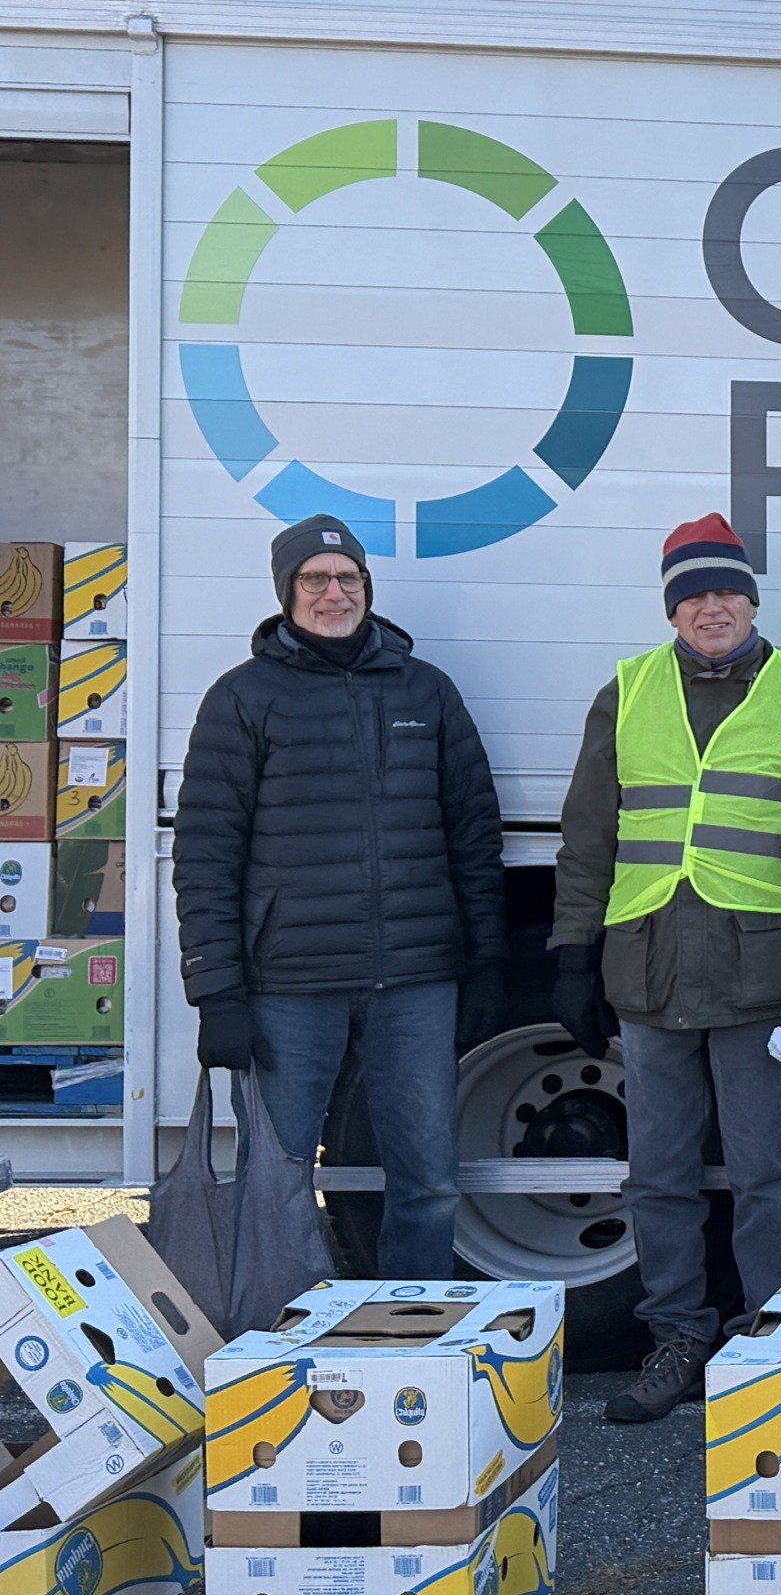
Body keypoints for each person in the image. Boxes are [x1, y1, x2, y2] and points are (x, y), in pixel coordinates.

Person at [551, 514, 781, 1424]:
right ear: (672, 609)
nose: (711, 607)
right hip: (648, 972)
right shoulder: (626, 691)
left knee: (767, 1172)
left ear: (752, 602)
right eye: (693, 595)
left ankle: (767, 1341)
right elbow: (587, 838)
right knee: (657, 1174)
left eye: (726, 591)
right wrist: (571, 955)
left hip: (761, 977)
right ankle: (678, 1339)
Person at [173, 514, 505, 1280]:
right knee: (277, 1182)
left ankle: (413, 1328)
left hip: (416, 981)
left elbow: (472, 834)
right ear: (287, 592)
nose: (334, 593)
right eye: (314, 579)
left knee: (429, 1183)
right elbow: (206, 853)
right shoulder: (242, 698)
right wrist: (216, 992)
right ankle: (278, 1324)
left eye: (347, 577)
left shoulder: (427, 691)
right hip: (289, 987)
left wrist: (487, 961)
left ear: (367, 586)